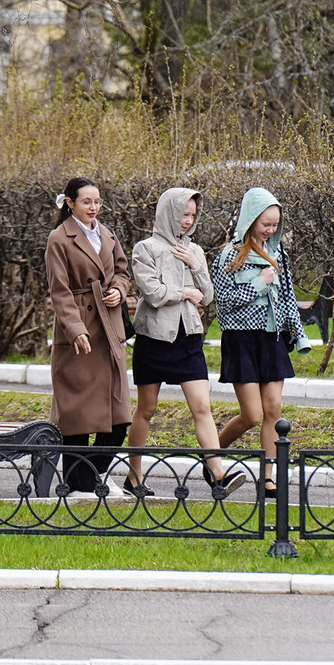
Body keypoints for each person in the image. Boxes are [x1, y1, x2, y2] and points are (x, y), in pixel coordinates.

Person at [125, 188, 247, 500]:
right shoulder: (145, 248)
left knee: (202, 407)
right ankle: (134, 476)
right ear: (169, 212)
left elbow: (208, 296)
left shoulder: (195, 250)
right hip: (154, 339)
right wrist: (186, 293)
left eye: (193, 215)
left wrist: (196, 265)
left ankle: (217, 474)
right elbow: (153, 293)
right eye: (183, 214)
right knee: (146, 409)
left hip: (189, 338)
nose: (188, 221)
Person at [212, 187, 311, 498]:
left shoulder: (279, 255)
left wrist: (298, 334)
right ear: (250, 219)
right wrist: (259, 283)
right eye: (265, 224)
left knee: (273, 410)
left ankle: (267, 478)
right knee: (252, 415)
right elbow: (223, 303)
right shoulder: (229, 255)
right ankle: (211, 455)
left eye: (275, 224)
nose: (270, 230)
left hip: (272, 338)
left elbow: (288, 299)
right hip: (241, 340)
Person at [45, 176, 133, 496]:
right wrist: (75, 329)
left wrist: (119, 290)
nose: (93, 207)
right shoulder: (59, 238)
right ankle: (76, 484)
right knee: (77, 415)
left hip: (109, 330)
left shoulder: (107, 233)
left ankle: (88, 476)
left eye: (97, 201)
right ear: (70, 203)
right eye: (86, 201)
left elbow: (122, 272)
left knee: (120, 418)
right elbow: (59, 291)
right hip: (79, 334)